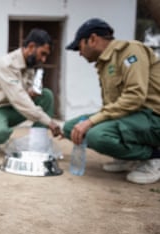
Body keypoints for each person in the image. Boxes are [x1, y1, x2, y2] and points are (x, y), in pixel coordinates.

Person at [64, 18, 160, 184]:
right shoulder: (105, 62)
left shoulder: (131, 51)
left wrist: (92, 121)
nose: (79, 53)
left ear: (92, 39)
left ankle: (154, 158)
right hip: (131, 117)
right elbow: (113, 105)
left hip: (152, 117)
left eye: (79, 47)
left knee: (96, 135)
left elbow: (134, 97)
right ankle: (125, 156)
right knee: (71, 128)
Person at [0, 28, 62, 153]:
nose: (44, 59)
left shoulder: (30, 65)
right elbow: (19, 99)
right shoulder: (6, 64)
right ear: (31, 46)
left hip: (13, 107)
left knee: (46, 95)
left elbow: (23, 95)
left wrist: (31, 93)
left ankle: (37, 143)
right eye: (42, 54)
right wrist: (49, 122)